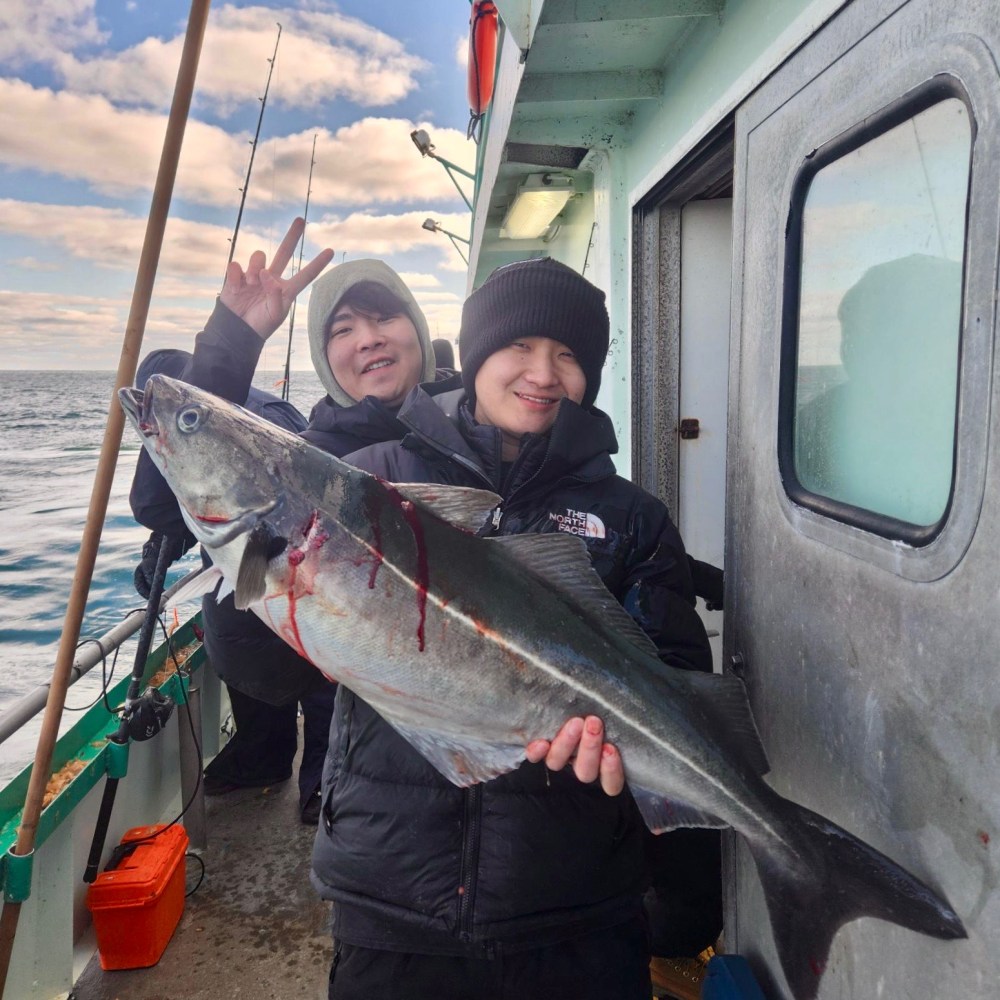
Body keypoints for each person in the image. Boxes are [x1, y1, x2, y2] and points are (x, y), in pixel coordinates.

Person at [312, 257, 720, 999]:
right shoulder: (371, 482)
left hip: (576, 911)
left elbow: (675, 684)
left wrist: (630, 776)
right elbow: (265, 674)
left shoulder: (633, 517)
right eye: (520, 347)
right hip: (395, 899)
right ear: (475, 358)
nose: (544, 371)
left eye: (570, 355)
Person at [130, 218, 457, 821]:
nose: (368, 338)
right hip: (371, 790)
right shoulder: (305, 462)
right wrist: (230, 347)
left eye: (384, 317)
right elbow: (162, 500)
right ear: (324, 356)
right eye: (344, 327)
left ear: (417, 327)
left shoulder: (477, 437)